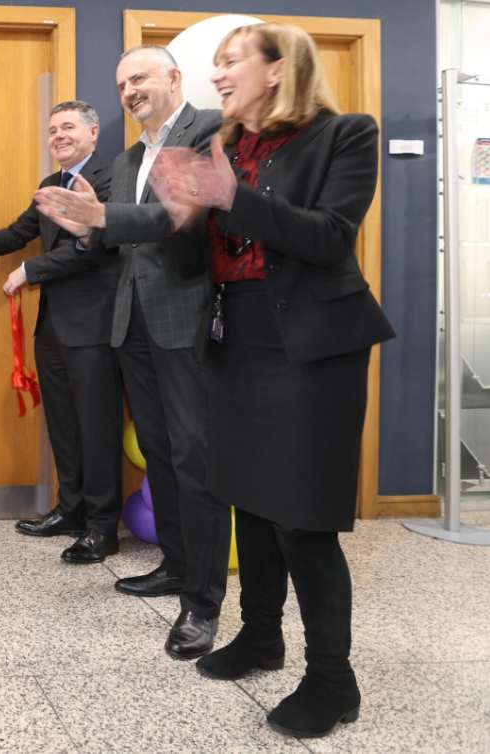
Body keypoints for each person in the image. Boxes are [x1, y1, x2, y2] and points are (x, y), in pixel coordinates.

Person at [148, 23, 395, 739]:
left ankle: (332, 679)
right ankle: (261, 637)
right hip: (237, 337)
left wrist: (228, 195)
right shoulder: (222, 148)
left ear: (280, 68)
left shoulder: (346, 133)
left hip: (312, 345)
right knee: (248, 501)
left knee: (301, 516)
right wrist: (187, 217)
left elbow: (327, 237)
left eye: (230, 62)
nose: (217, 74)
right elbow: (190, 265)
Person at [35, 47, 229, 658]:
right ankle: (175, 565)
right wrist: (87, 226)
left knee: (195, 460)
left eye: (139, 78)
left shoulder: (207, 131)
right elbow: (120, 234)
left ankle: (203, 602)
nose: (130, 91)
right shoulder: (127, 157)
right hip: (133, 324)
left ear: (175, 78)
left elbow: (184, 217)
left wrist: (104, 216)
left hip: (187, 318)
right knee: (162, 453)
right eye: (122, 83)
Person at [0, 101, 121, 563]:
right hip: (54, 326)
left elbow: (96, 249)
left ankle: (103, 528)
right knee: (63, 422)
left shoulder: (108, 180)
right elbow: (20, 231)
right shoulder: (50, 184)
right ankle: (72, 511)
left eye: (68, 127)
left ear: (93, 132)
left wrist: (29, 270)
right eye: (52, 130)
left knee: (97, 426)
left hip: (95, 325)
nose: (58, 136)